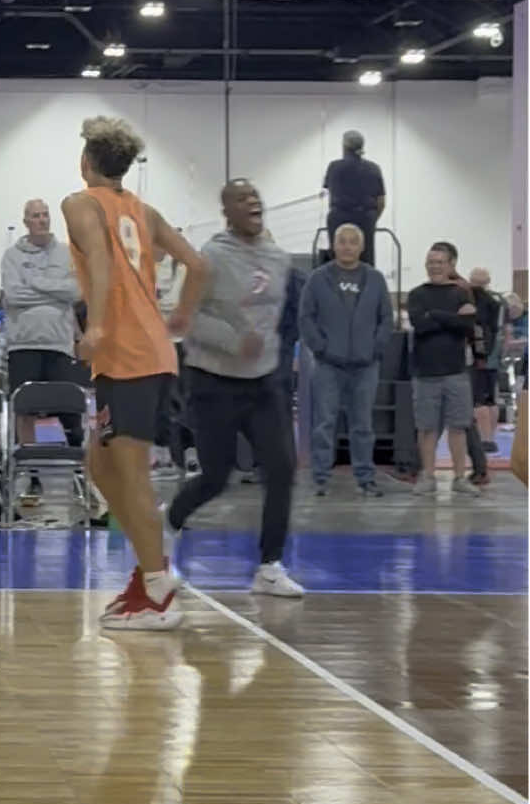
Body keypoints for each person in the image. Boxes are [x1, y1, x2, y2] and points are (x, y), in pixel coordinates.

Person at [61, 117, 207, 631]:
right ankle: (152, 567)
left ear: (86, 162)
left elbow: (100, 263)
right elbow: (198, 264)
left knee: (129, 471)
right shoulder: (144, 212)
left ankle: (158, 583)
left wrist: (96, 325)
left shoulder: (79, 203)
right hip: (152, 352)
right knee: (100, 467)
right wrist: (182, 314)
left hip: (127, 354)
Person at [167, 180, 303, 597]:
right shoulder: (209, 258)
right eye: (242, 198)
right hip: (214, 381)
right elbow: (184, 318)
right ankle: (168, 523)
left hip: (264, 382)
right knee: (216, 476)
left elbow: (279, 317)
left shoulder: (279, 259)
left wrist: (278, 356)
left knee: (281, 469)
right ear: (226, 211)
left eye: (256, 196)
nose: (253, 202)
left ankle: (269, 566)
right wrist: (232, 340)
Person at [299, 223, 393, 497]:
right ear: (334, 245)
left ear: (361, 247)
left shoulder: (375, 279)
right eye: (342, 241)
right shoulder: (317, 279)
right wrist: (321, 348)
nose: (348, 246)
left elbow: (386, 318)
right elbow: (306, 317)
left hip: (366, 366)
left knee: (363, 424)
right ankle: (320, 479)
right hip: (328, 364)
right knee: (324, 423)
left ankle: (365, 478)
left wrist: (375, 348)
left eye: (353, 241)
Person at [2, 198, 83, 504]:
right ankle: (31, 476)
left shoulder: (66, 253)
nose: (42, 220)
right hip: (24, 343)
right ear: (26, 222)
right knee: (25, 410)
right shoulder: (11, 256)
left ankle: (79, 476)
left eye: (46, 214)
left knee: (68, 409)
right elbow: (12, 294)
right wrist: (53, 291)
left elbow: (74, 291)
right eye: (36, 216)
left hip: (58, 343)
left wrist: (34, 281)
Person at [407, 242, 477, 498]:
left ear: (451, 265)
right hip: (425, 373)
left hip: (456, 372)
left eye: (440, 262)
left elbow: (467, 326)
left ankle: (460, 477)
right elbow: (420, 325)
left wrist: (434, 315)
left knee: (458, 427)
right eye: (431, 262)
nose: (434, 266)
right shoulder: (416, 295)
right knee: (427, 427)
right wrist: (451, 318)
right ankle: (428, 476)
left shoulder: (461, 293)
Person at [322, 130, 385, 265]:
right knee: (366, 261)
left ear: (344, 146)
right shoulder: (374, 168)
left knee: (337, 261)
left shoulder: (334, 167)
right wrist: (372, 219)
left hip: (338, 218)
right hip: (365, 219)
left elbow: (330, 190)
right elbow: (381, 202)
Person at [467, 266, 503, 452]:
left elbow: (479, 329)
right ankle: (491, 437)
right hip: (494, 353)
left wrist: (480, 355)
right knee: (491, 398)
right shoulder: (497, 301)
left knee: (479, 398)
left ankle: (485, 439)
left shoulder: (476, 300)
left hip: (481, 352)